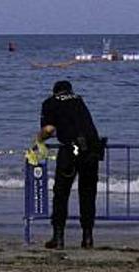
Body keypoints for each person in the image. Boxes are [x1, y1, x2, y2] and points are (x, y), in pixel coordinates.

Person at [35, 80, 103, 250]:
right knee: (87, 194)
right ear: (70, 90)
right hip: (92, 149)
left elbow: (49, 129)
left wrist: (38, 140)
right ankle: (88, 238)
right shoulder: (79, 100)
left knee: (61, 193)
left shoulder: (50, 103)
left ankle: (58, 238)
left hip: (71, 150)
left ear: (54, 92)